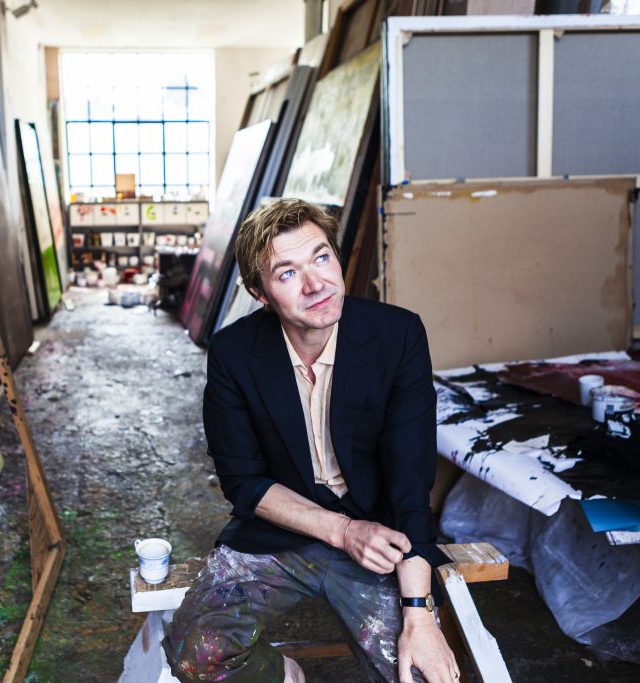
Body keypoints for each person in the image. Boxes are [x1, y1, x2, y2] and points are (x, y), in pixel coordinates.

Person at [162, 199, 458, 683]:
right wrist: (340, 531)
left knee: (419, 675)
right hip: (283, 530)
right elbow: (243, 482)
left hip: (378, 531)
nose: (316, 284)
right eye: (287, 273)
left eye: (321, 258)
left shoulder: (397, 335)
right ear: (260, 292)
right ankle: (285, 675)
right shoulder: (234, 353)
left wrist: (419, 615)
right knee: (199, 654)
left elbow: (410, 485)